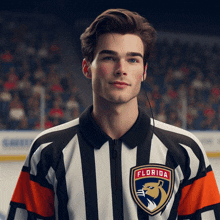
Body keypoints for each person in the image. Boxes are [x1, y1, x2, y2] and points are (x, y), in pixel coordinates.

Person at [6, 8, 220, 220]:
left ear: (144, 71)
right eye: (109, 58)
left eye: (133, 59)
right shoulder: (47, 152)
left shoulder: (185, 152)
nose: (121, 69)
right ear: (87, 68)